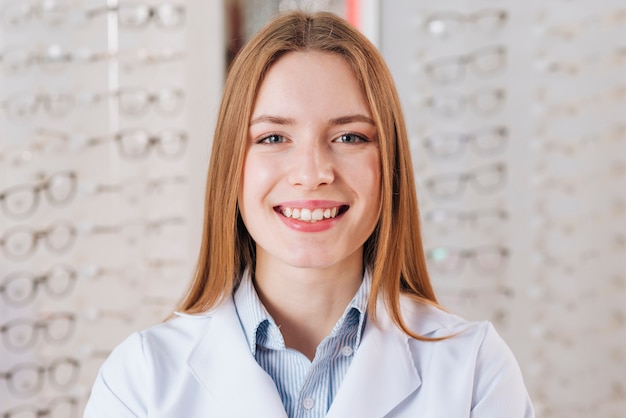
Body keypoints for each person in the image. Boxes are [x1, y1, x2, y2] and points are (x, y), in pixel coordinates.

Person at [84, 10, 534, 418]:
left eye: (350, 137)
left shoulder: (474, 370)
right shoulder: (141, 380)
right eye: (274, 138)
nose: (312, 173)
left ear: (390, 167)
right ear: (231, 167)